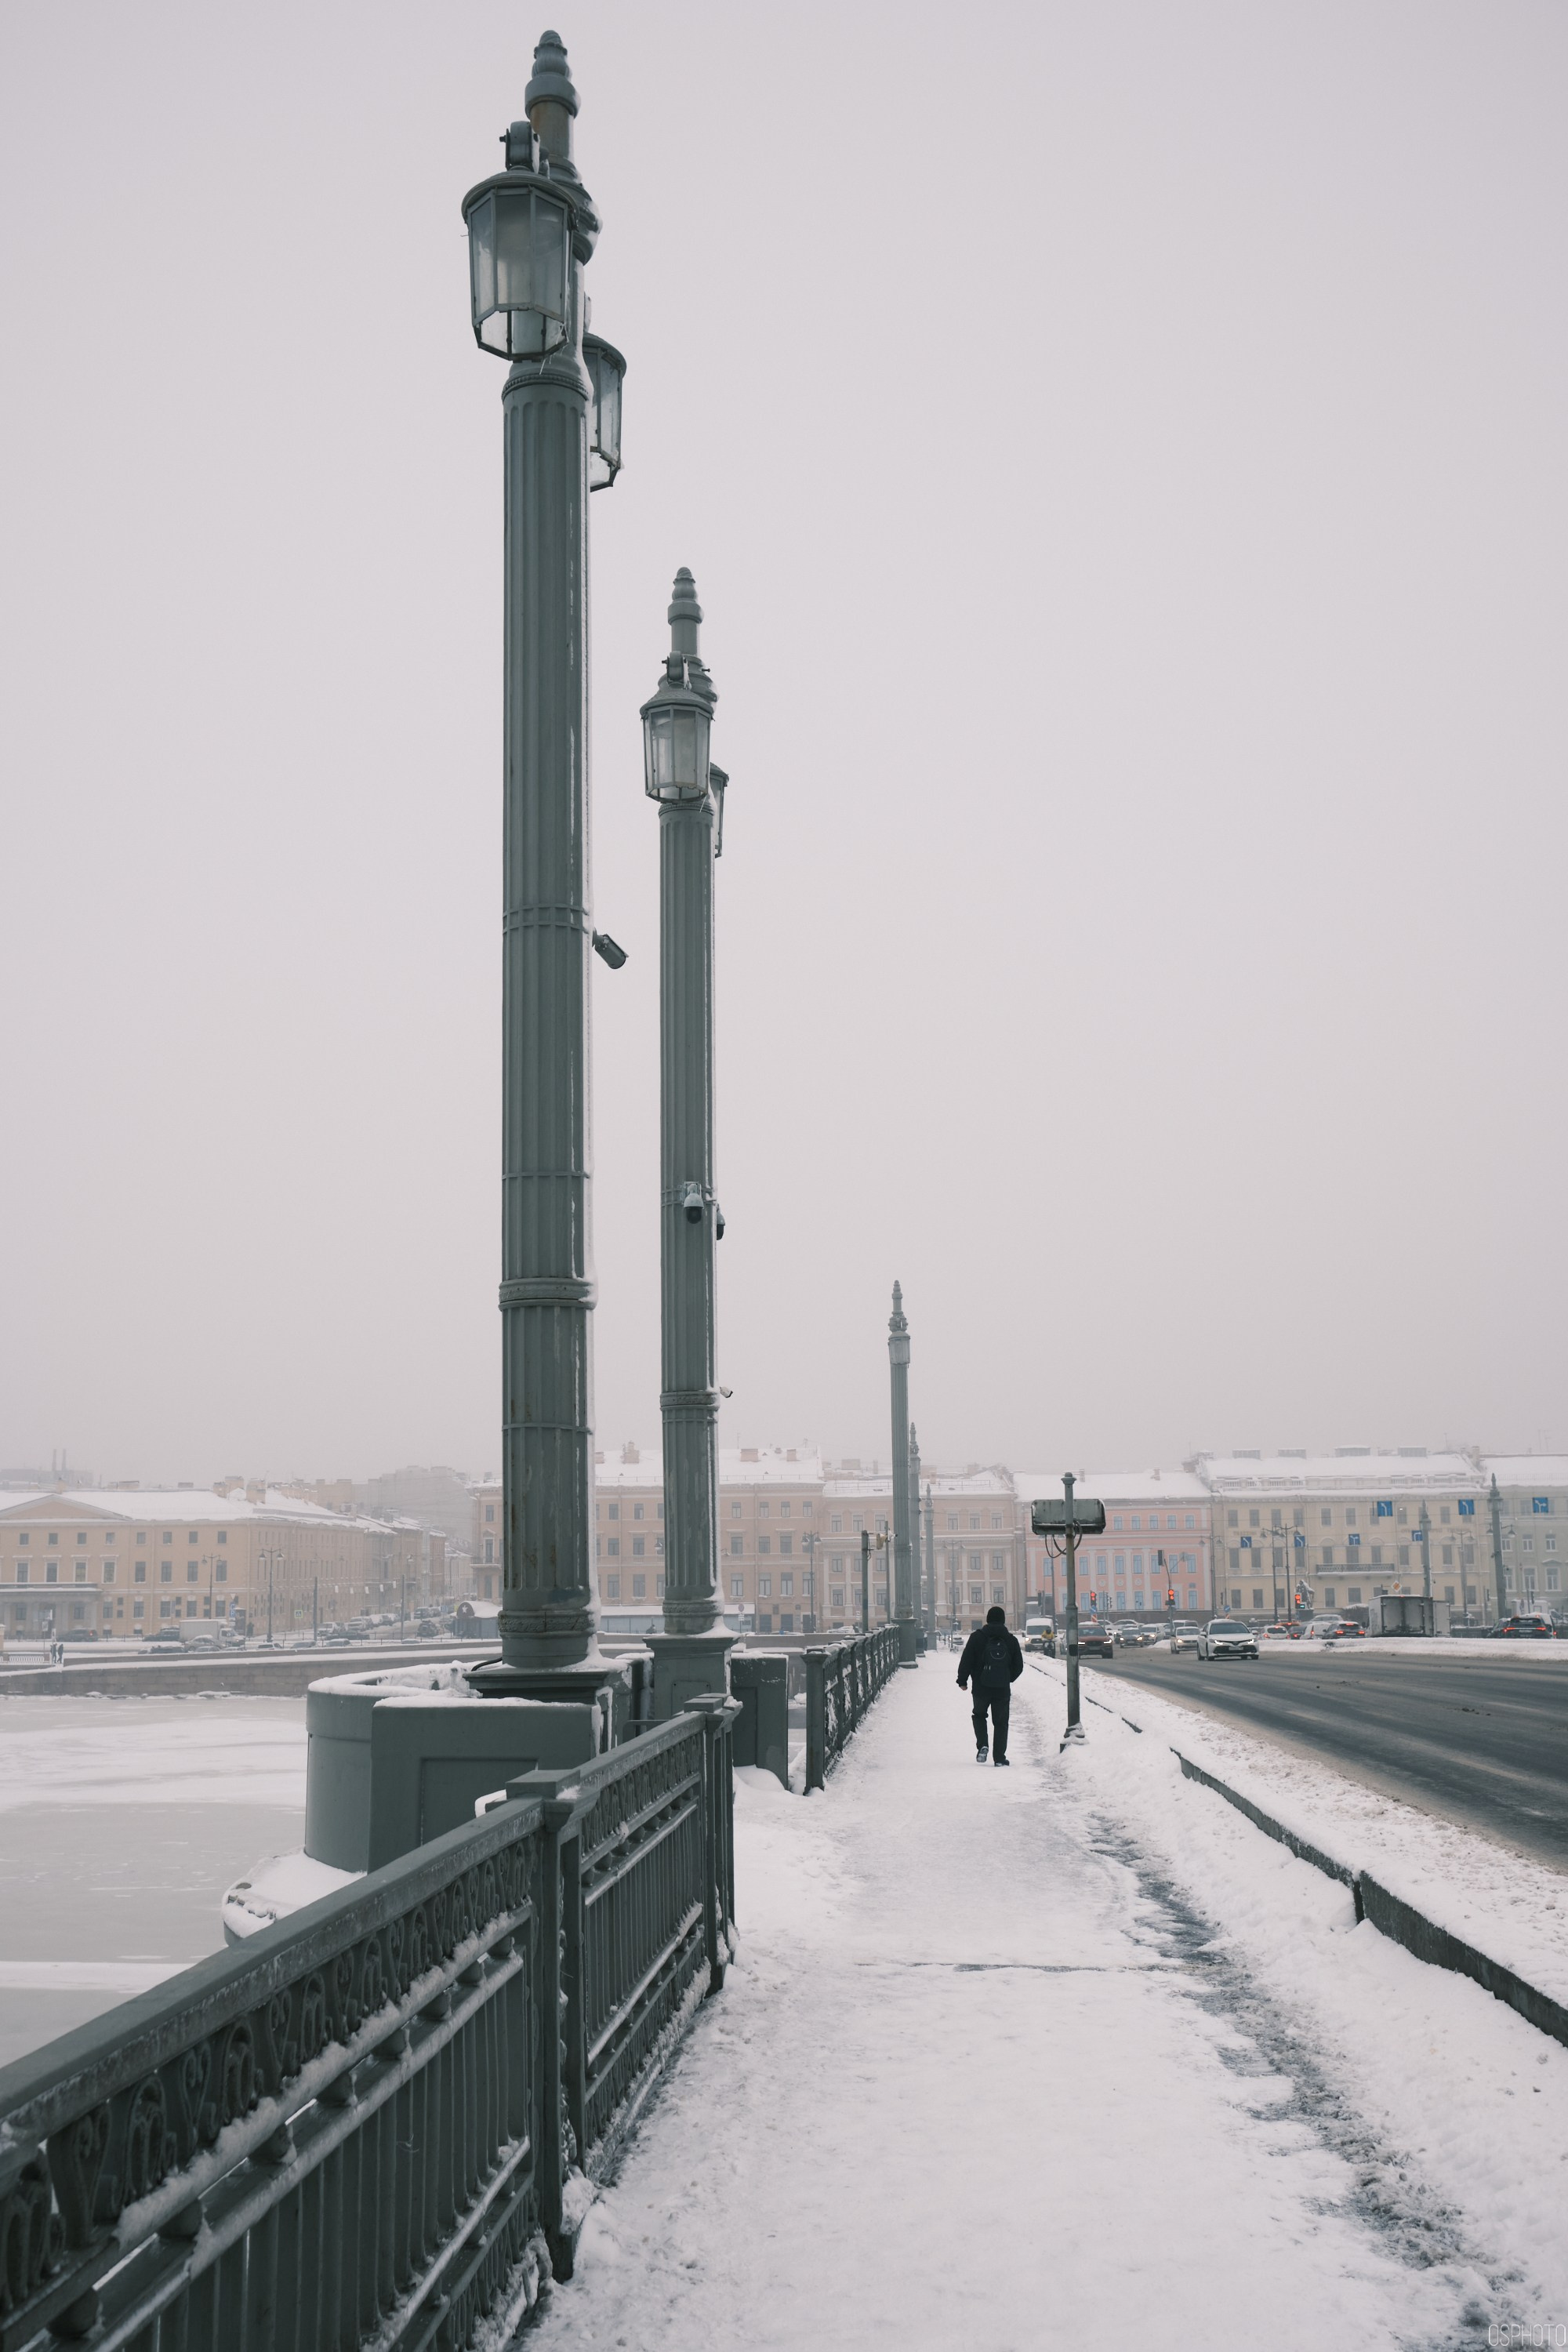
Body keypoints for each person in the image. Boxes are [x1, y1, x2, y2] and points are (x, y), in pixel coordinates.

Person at [956, 1606, 1023, 1765]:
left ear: (987, 1619)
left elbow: (966, 1660)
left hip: (980, 1687)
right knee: (1001, 1722)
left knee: (979, 1716)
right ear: (1003, 1620)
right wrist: (1007, 1678)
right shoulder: (1011, 1640)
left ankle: (983, 1746)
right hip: (1002, 1689)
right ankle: (999, 1758)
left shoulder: (977, 1637)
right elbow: (1019, 1665)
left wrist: (963, 1681)